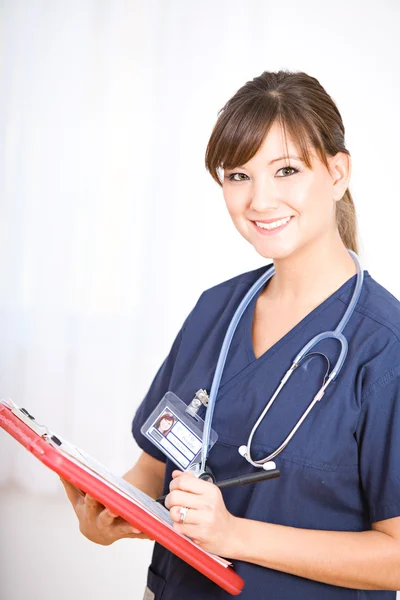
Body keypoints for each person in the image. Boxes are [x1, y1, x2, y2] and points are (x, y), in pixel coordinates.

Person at [61, 70, 400, 599]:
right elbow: (156, 466)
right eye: (238, 175)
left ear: (338, 173)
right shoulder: (216, 309)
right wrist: (110, 511)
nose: (259, 201)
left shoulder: (385, 348)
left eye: (285, 170)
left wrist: (234, 536)